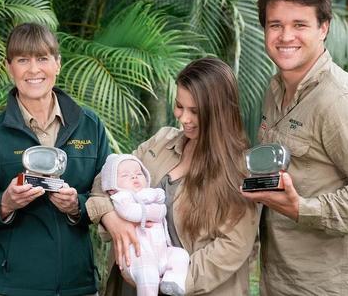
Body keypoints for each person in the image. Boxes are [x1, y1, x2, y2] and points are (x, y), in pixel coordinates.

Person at [240, 0, 348, 295]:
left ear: (323, 28)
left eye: (299, 24)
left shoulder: (341, 100)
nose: (286, 35)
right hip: (281, 279)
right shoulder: (275, 89)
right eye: (275, 25)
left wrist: (304, 209)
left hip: (329, 286)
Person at [0, 23, 111, 296]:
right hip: (7, 287)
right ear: (8, 67)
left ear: (58, 64)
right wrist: (4, 204)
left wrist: (77, 206)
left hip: (77, 286)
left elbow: (110, 194)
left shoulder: (90, 126)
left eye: (42, 58)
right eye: (22, 60)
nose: (34, 69)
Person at [87, 57, 259, 295]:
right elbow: (106, 178)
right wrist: (110, 218)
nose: (183, 118)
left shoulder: (240, 170)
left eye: (195, 111)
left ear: (218, 112)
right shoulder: (161, 142)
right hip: (132, 284)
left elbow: (232, 248)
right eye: (179, 106)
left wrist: (164, 281)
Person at [99, 153, 189, 296]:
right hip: (139, 256)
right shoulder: (120, 197)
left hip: (161, 253)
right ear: (112, 187)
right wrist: (152, 209)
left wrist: (154, 206)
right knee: (149, 275)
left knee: (180, 255)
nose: (134, 177)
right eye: (125, 175)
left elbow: (162, 208)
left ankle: (172, 282)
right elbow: (130, 213)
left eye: (138, 173)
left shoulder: (149, 193)